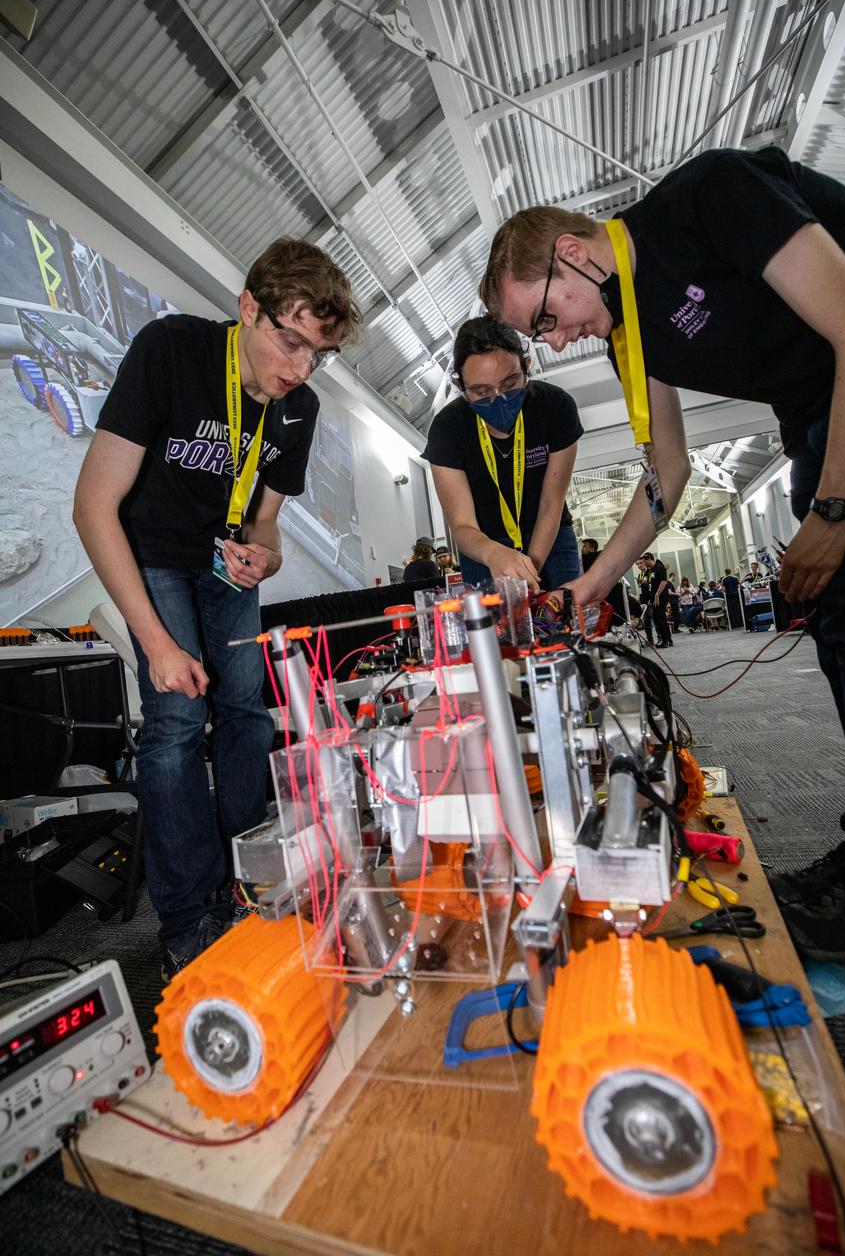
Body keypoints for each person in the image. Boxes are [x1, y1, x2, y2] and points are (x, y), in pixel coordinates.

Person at [480, 145, 845, 955]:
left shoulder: (710, 196)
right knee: (841, 640)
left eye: (544, 318)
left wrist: (832, 505)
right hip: (814, 416)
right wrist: (586, 588)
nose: (554, 342)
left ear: (573, 254)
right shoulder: (631, 335)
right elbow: (666, 475)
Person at [73, 238, 361, 978]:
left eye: (317, 353)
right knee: (173, 723)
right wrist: (158, 644)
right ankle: (189, 916)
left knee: (245, 710)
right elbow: (93, 508)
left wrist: (266, 555)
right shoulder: (170, 349)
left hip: (223, 561)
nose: (297, 368)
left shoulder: (300, 406)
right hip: (153, 553)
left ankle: (256, 879)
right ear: (247, 308)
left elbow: (265, 522)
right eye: (288, 340)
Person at [422, 315, 582, 591]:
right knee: (494, 630)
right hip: (483, 549)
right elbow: (462, 526)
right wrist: (494, 554)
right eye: (482, 391)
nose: (497, 398)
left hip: (551, 539)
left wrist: (529, 570)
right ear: (461, 387)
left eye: (509, 384)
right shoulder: (448, 429)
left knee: (561, 622)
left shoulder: (555, 407)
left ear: (526, 366)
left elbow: (551, 504)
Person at [637, 552, 671, 648]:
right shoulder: (651, 569)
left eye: (644, 561)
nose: (643, 564)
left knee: (658, 617)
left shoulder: (660, 567)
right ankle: (668, 639)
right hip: (654, 597)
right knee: (661, 618)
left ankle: (665, 640)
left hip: (661, 596)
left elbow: (664, 582)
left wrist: (657, 594)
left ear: (649, 559)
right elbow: (653, 583)